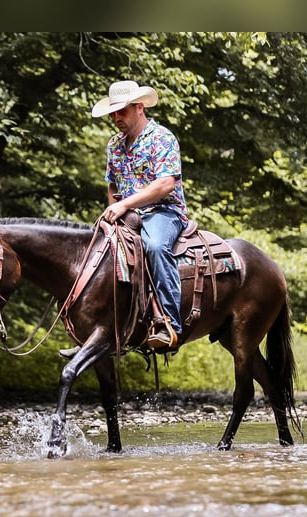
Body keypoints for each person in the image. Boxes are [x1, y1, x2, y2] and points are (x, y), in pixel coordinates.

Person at [92, 80, 189, 350]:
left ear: (139, 107)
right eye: (112, 113)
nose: (115, 117)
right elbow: (113, 183)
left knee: (156, 247)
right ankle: (102, 328)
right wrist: (114, 209)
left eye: (121, 111)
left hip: (164, 211)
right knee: (96, 254)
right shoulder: (114, 145)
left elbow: (165, 184)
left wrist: (125, 205)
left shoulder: (162, 138)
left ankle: (170, 324)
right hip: (127, 215)